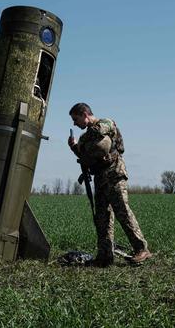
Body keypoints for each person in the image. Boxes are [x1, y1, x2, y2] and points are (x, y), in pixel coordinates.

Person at [67, 102, 152, 267]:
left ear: (85, 114)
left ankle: (141, 249)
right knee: (102, 217)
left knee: (122, 211)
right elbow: (85, 155)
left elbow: (100, 131)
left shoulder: (106, 123)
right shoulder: (85, 137)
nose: (74, 124)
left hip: (114, 173)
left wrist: (85, 142)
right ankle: (105, 256)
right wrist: (75, 147)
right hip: (99, 176)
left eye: (75, 119)